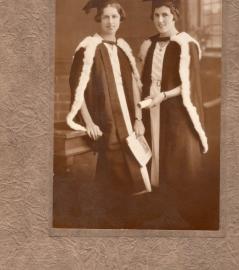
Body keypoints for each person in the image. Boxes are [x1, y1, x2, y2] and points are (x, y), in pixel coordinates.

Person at [66, 0, 150, 228]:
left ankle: (126, 220)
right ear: (99, 19)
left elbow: (134, 86)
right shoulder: (88, 49)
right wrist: (90, 122)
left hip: (127, 120)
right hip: (107, 122)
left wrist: (139, 119)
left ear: (120, 19)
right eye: (106, 17)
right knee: (112, 171)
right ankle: (110, 221)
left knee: (134, 167)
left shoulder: (123, 50)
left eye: (114, 17)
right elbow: (77, 88)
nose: (110, 22)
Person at [139, 0, 210, 229]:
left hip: (175, 109)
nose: (160, 20)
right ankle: (160, 209)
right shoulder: (148, 44)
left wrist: (164, 95)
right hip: (152, 108)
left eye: (165, 15)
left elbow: (187, 85)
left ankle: (179, 213)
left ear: (174, 16)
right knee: (154, 155)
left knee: (176, 156)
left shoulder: (185, 44)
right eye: (157, 15)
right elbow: (142, 78)